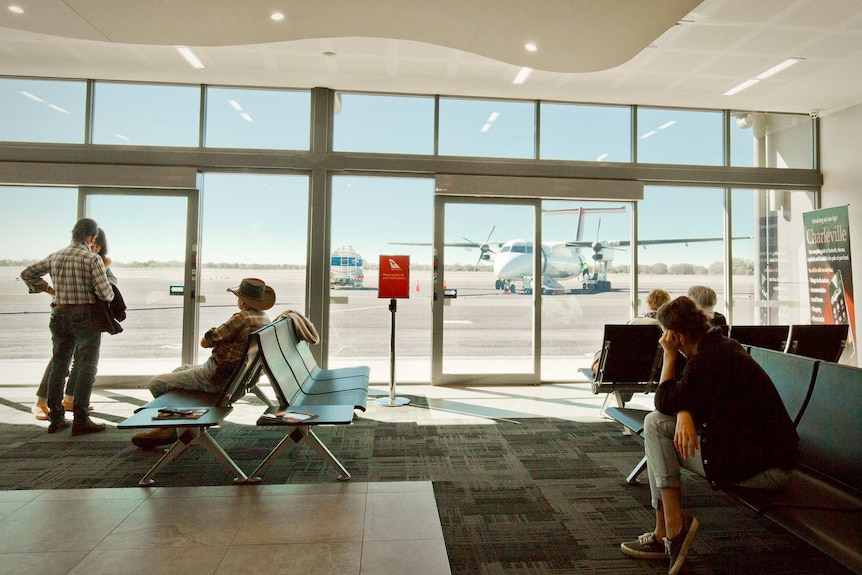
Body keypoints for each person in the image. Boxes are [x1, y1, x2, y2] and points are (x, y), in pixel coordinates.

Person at [619, 296, 798, 575]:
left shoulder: (709, 360)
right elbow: (684, 393)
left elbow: (665, 399)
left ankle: (671, 529)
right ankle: (665, 532)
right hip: (760, 453)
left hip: (766, 469)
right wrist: (684, 412)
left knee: (654, 427)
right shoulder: (721, 346)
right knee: (656, 425)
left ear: (676, 336)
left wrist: (668, 356)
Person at [130, 277, 275, 450]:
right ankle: (172, 425)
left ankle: (170, 429)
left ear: (243, 301)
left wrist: (210, 333)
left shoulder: (242, 318)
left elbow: (206, 342)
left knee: (157, 383)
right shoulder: (264, 319)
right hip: (234, 378)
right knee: (181, 369)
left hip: (214, 378)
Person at [20, 218, 114, 435]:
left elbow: (27, 274)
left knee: (59, 365)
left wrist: (51, 291)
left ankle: (56, 417)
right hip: (84, 315)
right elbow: (105, 293)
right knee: (87, 366)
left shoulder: (56, 257)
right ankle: (81, 418)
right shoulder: (92, 259)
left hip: (59, 313)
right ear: (92, 237)